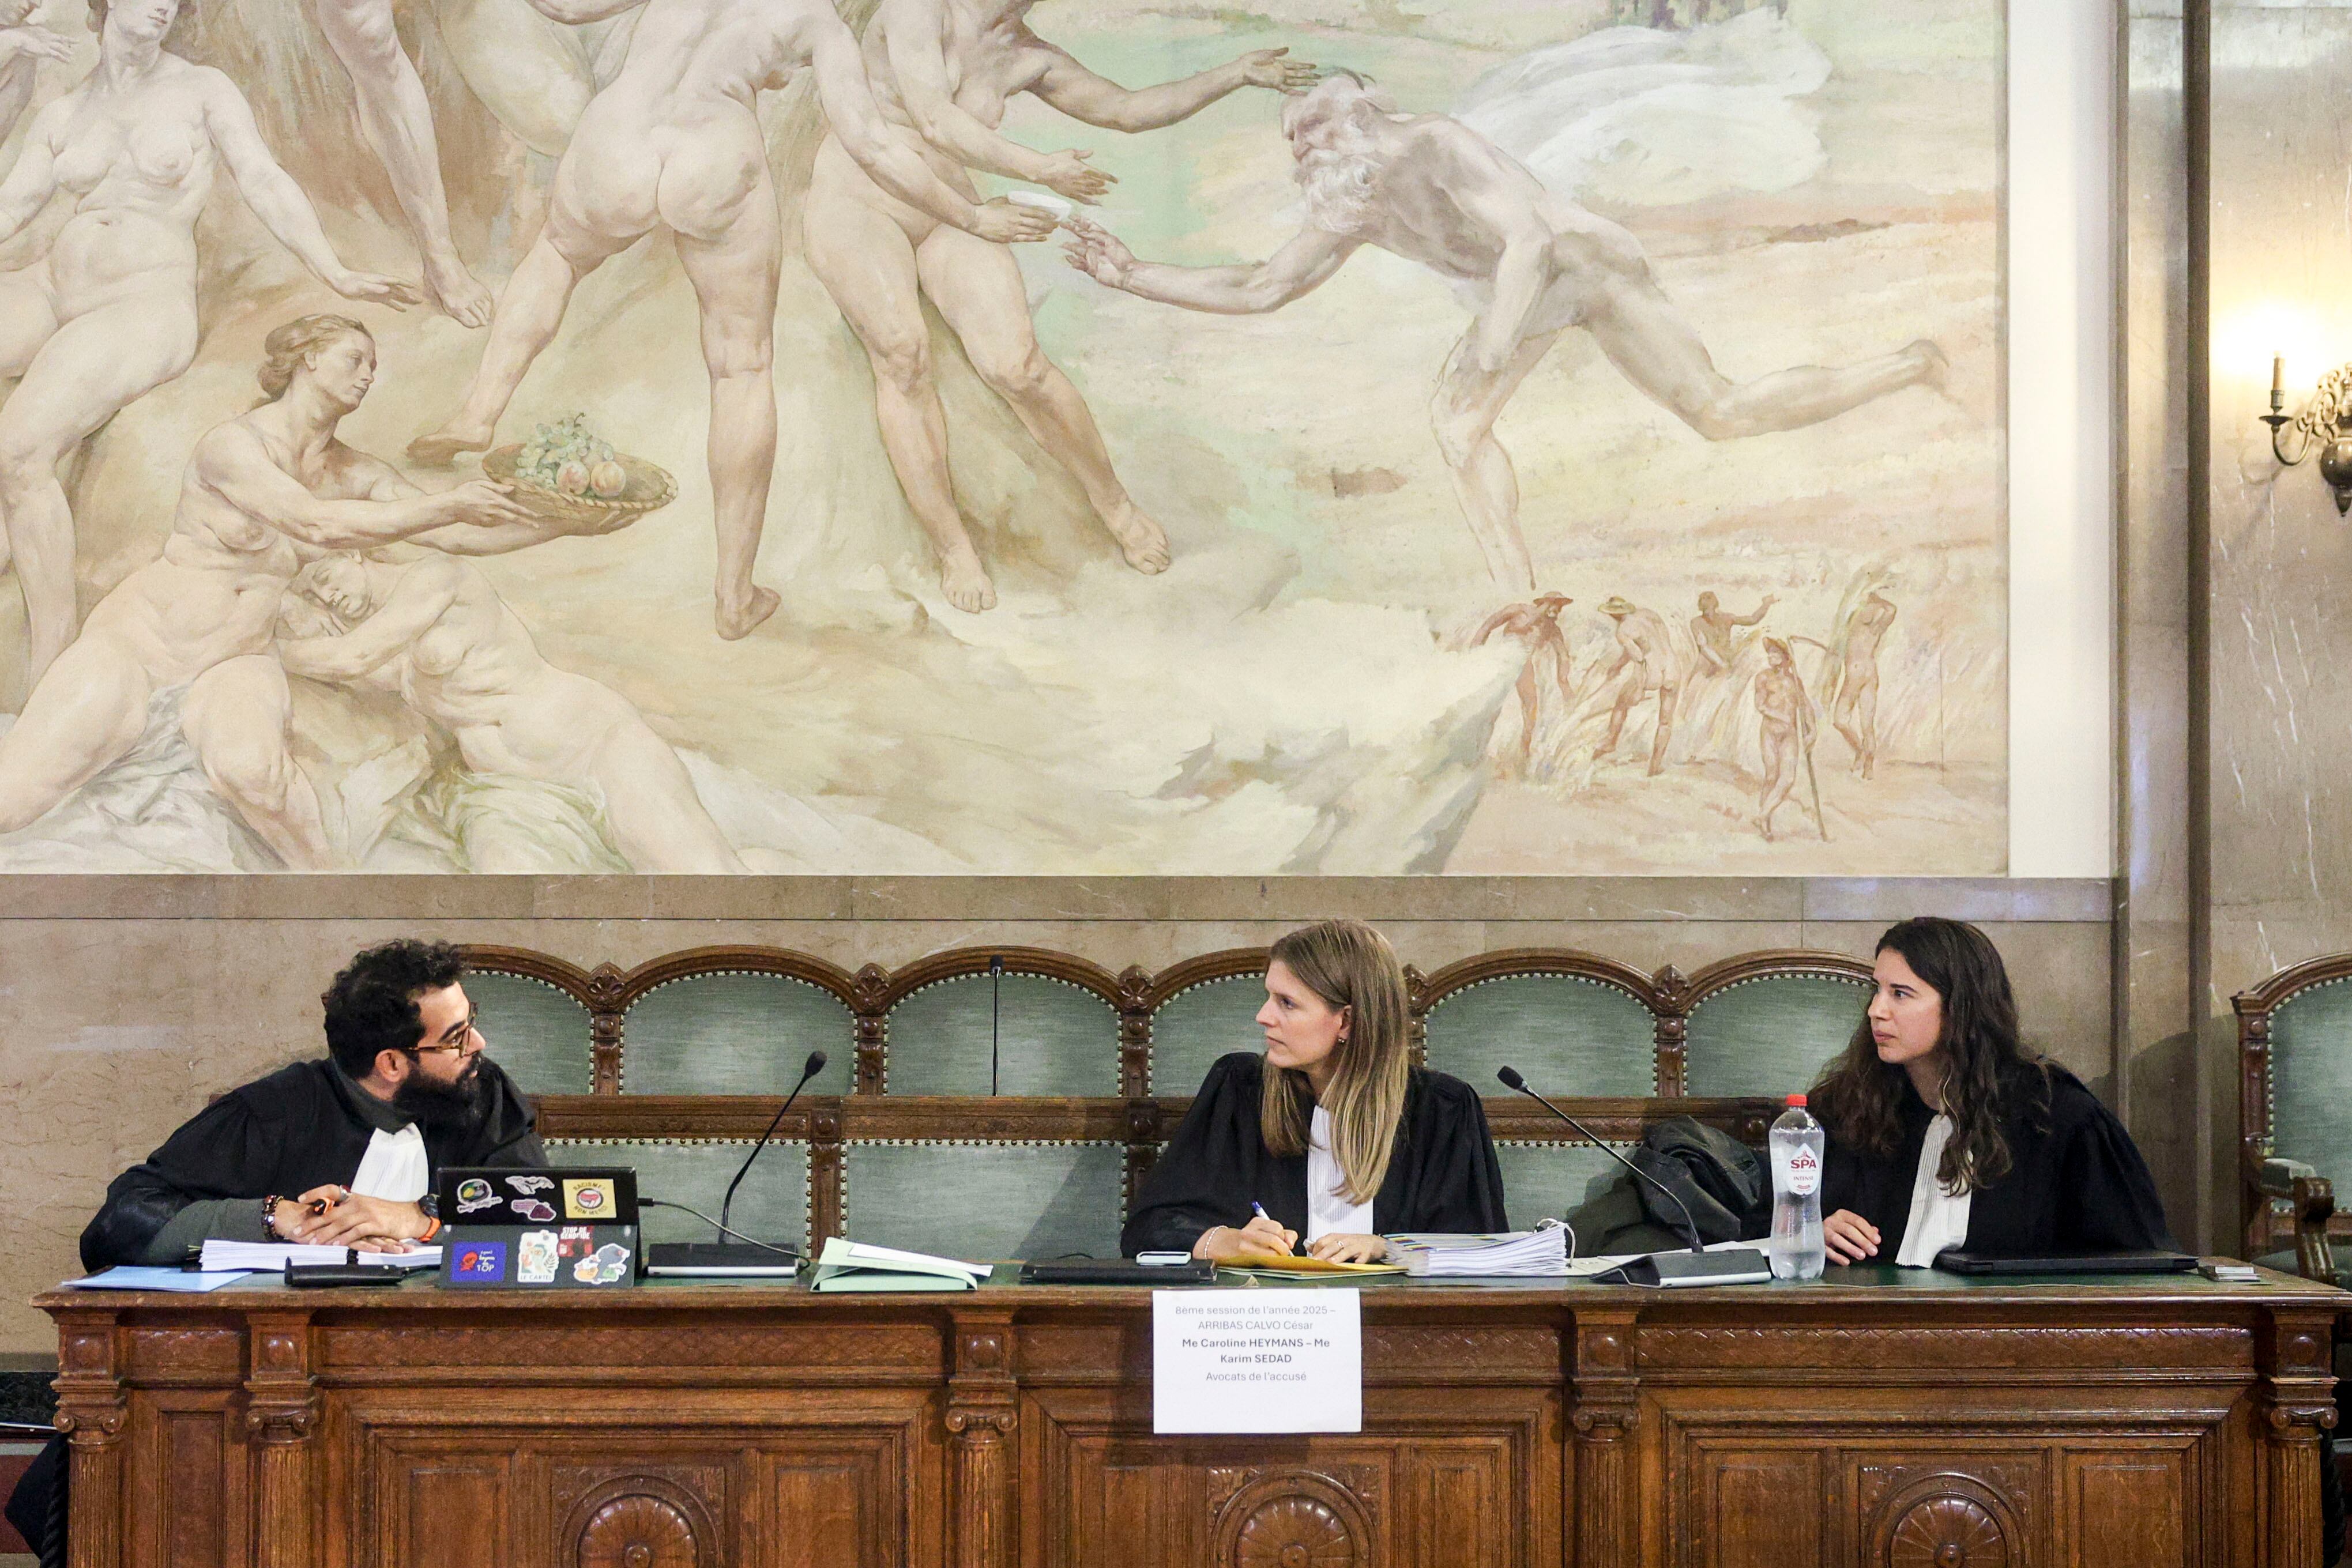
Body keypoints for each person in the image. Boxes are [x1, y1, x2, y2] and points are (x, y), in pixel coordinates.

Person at [1063, 73, 1945, 591]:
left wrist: (1493, 340)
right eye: (1294, 141)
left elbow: (1531, 237)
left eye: (1315, 131)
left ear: (1362, 119)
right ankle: (1521, 600)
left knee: (1719, 413)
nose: (1303, 152)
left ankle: (1909, 363)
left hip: (1583, 268)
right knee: (1456, 427)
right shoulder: (1352, 199)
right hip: (1521, 290)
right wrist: (1131, 275)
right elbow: (1262, 287)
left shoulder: (1431, 144)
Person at [407, 0, 1056, 641]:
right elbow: (872, 144)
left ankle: (478, 412)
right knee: (740, 365)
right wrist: (971, 218)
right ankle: (734, 593)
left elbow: (567, 8)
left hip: (620, 138)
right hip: (713, 155)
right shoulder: (818, 22)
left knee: (555, 256)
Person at [0, 315, 604, 866]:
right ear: (308, 359)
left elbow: (457, 536)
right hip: (140, 647)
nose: (368, 375)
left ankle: (338, 903)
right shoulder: (233, 446)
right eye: (355, 358)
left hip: (237, 659)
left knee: (256, 773)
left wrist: (566, 523)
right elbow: (315, 522)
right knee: (15, 799)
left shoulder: (358, 472)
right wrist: (448, 501)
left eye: (374, 366)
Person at [804, 0, 1317, 611]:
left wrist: (1233, 73)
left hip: (950, 211)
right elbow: (935, 121)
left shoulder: (1028, 55)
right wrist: (1040, 168)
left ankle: (1114, 503)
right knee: (902, 355)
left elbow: (1125, 110)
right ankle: (952, 547)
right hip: (859, 202)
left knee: (1015, 365)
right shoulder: (920, 8)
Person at [0, 0, 419, 688]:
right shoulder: (66, 113)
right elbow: (13, 207)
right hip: (50, 284)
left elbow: (263, 179)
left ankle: (51, 663)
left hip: (141, 301)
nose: (164, 4)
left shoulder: (200, 90)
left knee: (21, 447)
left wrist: (333, 269)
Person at [81, 937, 545, 1269]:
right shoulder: (273, 1113)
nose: (479, 1044)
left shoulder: (483, 1094)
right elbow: (119, 1223)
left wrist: (419, 1217)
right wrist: (277, 1217)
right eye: (456, 1038)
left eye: (471, 1023)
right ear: (391, 1064)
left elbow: (548, 1212)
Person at [276, 551, 750, 872]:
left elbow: (350, 659)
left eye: (323, 578)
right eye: (315, 597)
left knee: (703, 880)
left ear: (353, 553)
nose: (327, 597)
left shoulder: (436, 577)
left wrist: (258, 646)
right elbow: (346, 669)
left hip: (593, 749)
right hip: (510, 793)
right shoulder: (375, 632)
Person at [1122, 918, 1506, 1264]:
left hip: (1398, 1328)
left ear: (1347, 1023)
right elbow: (1148, 1229)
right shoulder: (1239, 1089)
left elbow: (1482, 1250)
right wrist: (1223, 1241)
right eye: (1269, 996)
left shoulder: (1442, 1109)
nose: (1263, 1016)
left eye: (1287, 1003)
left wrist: (1386, 1247)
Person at [1816, 917, 2171, 1267]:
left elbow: (2137, 1266)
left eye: (1901, 994)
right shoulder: (1847, 1105)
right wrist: (1810, 1234)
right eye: (1876, 990)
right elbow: (1773, 1221)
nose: (1876, 1011)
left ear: (1960, 1008)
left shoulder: (2058, 1119)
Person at [1467, 592, 1575, 772]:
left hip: (1523, 665)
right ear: (1545, 603)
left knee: (1531, 708)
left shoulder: (1551, 629)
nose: (1559, 610)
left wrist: (1563, 681)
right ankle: (1475, 752)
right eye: (1556, 605)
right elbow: (1489, 625)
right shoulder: (1518, 611)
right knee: (1491, 707)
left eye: (1561, 606)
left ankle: (1523, 756)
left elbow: (1563, 655)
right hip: (1502, 660)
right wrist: (1475, 651)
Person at [1752, 635, 1816, 841]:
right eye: (1770, 652)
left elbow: (1805, 706)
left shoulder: (1795, 681)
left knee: (1787, 779)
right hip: (1770, 732)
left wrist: (1812, 730)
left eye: (1776, 653)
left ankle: (1762, 816)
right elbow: (1760, 705)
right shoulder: (1763, 678)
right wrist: (1781, 716)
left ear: (1785, 658)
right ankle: (1766, 824)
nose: (1771, 656)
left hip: (1790, 735)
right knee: (1771, 776)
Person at [1828, 588, 1896, 779]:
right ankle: (1864, 759)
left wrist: (1877, 599)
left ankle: (1864, 758)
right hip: (1866, 673)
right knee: (1856, 723)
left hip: (1861, 673)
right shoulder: (1863, 628)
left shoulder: (1871, 627)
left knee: (1849, 721)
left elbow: (1891, 609)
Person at [1691, 590, 1775, 676]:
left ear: (1714, 603)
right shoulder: (1696, 622)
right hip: (1708, 661)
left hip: (1727, 658)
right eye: (1704, 600)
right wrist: (1719, 663)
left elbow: (1753, 619)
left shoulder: (1726, 618)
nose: (1708, 606)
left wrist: (1766, 604)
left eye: (1709, 600)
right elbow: (1703, 647)